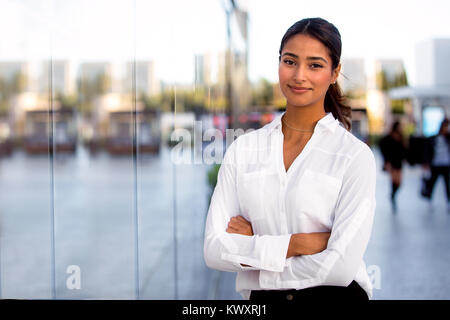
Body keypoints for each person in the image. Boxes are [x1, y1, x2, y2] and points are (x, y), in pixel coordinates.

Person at [203, 18, 376, 301]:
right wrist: (297, 244)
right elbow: (213, 249)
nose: (299, 76)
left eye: (315, 65)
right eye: (290, 61)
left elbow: (340, 269)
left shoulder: (354, 157)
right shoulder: (244, 150)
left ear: (335, 73)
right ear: (279, 63)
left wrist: (254, 256)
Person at [378, 121, 407, 212]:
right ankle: (393, 197)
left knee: (399, 183)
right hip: (392, 162)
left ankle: (392, 195)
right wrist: (386, 161)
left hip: (399, 162)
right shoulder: (388, 137)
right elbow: (382, 145)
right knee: (394, 180)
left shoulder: (401, 137)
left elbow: (404, 149)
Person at [423, 118, 450, 209]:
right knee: (432, 183)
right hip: (436, 164)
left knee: (447, 184)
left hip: (446, 164)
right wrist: (426, 163)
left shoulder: (448, 138)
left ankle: (448, 201)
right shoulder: (434, 138)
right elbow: (428, 151)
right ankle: (429, 197)